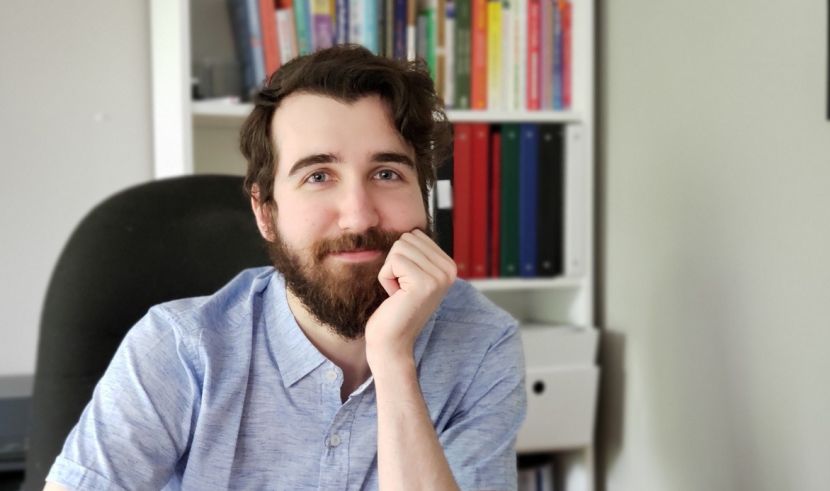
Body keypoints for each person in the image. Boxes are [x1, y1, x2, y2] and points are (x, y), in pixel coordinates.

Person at [44, 45, 526, 491]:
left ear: (424, 199)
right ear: (265, 212)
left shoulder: (482, 344)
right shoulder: (181, 349)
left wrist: (393, 358)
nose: (358, 214)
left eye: (386, 173)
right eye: (318, 176)